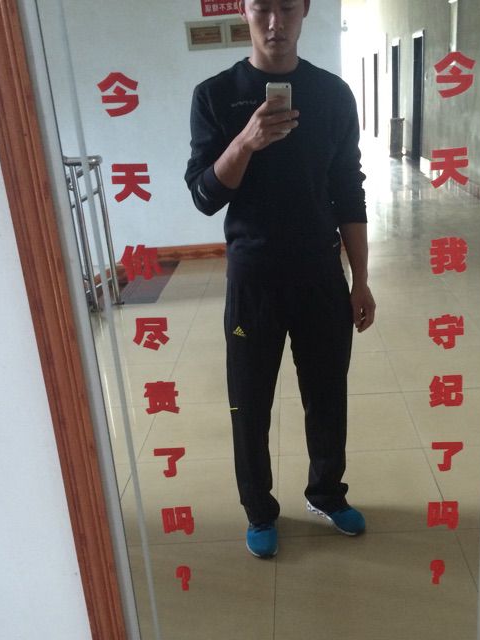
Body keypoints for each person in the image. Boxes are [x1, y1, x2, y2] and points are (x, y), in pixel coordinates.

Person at [185, 0, 375, 558]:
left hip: (321, 274)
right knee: (249, 403)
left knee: (327, 395)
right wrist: (245, 142)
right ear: (244, 10)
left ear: (305, 10)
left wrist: (360, 280)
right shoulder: (214, 95)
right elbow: (203, 196)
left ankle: (327, 493)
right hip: (254, 279)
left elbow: (349, 190)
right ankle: (259, 509)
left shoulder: (333, 94)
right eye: (262, 8)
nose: (275, 22)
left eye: (287, 7)